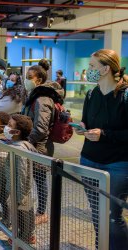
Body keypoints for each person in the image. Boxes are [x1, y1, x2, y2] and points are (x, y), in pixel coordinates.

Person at [74, 49, 128, 250]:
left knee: (112, 216)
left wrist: (104, 134)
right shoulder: (91, 93)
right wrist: (83, 129)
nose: (88, 70)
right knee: (97, 213)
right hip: (89, 160)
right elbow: (88, 122)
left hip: (117, 164)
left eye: (92, 66)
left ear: (106, 69)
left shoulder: (125, 95)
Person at [22, 65, 64, 225]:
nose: (26, 79)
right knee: (34, 179)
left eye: (29, 76)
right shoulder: (35, 96)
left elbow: (40, 128)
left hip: (39, 147)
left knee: (40, 180)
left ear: (38, 80)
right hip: (34, 145)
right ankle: (34, 210)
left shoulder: (42, 99)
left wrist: (27, 141)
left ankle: (41, 212)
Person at [4, 114, 37, 245]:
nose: (6, 128)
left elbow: (22, 173)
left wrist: (20, 195)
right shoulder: (20, 144)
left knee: (22, 215)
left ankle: (22, 240)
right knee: (27, 212)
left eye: (9, 126)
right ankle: (29, 235)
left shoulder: (19, 149)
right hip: (22, 189)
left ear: (17, 132)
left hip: (20, 190)